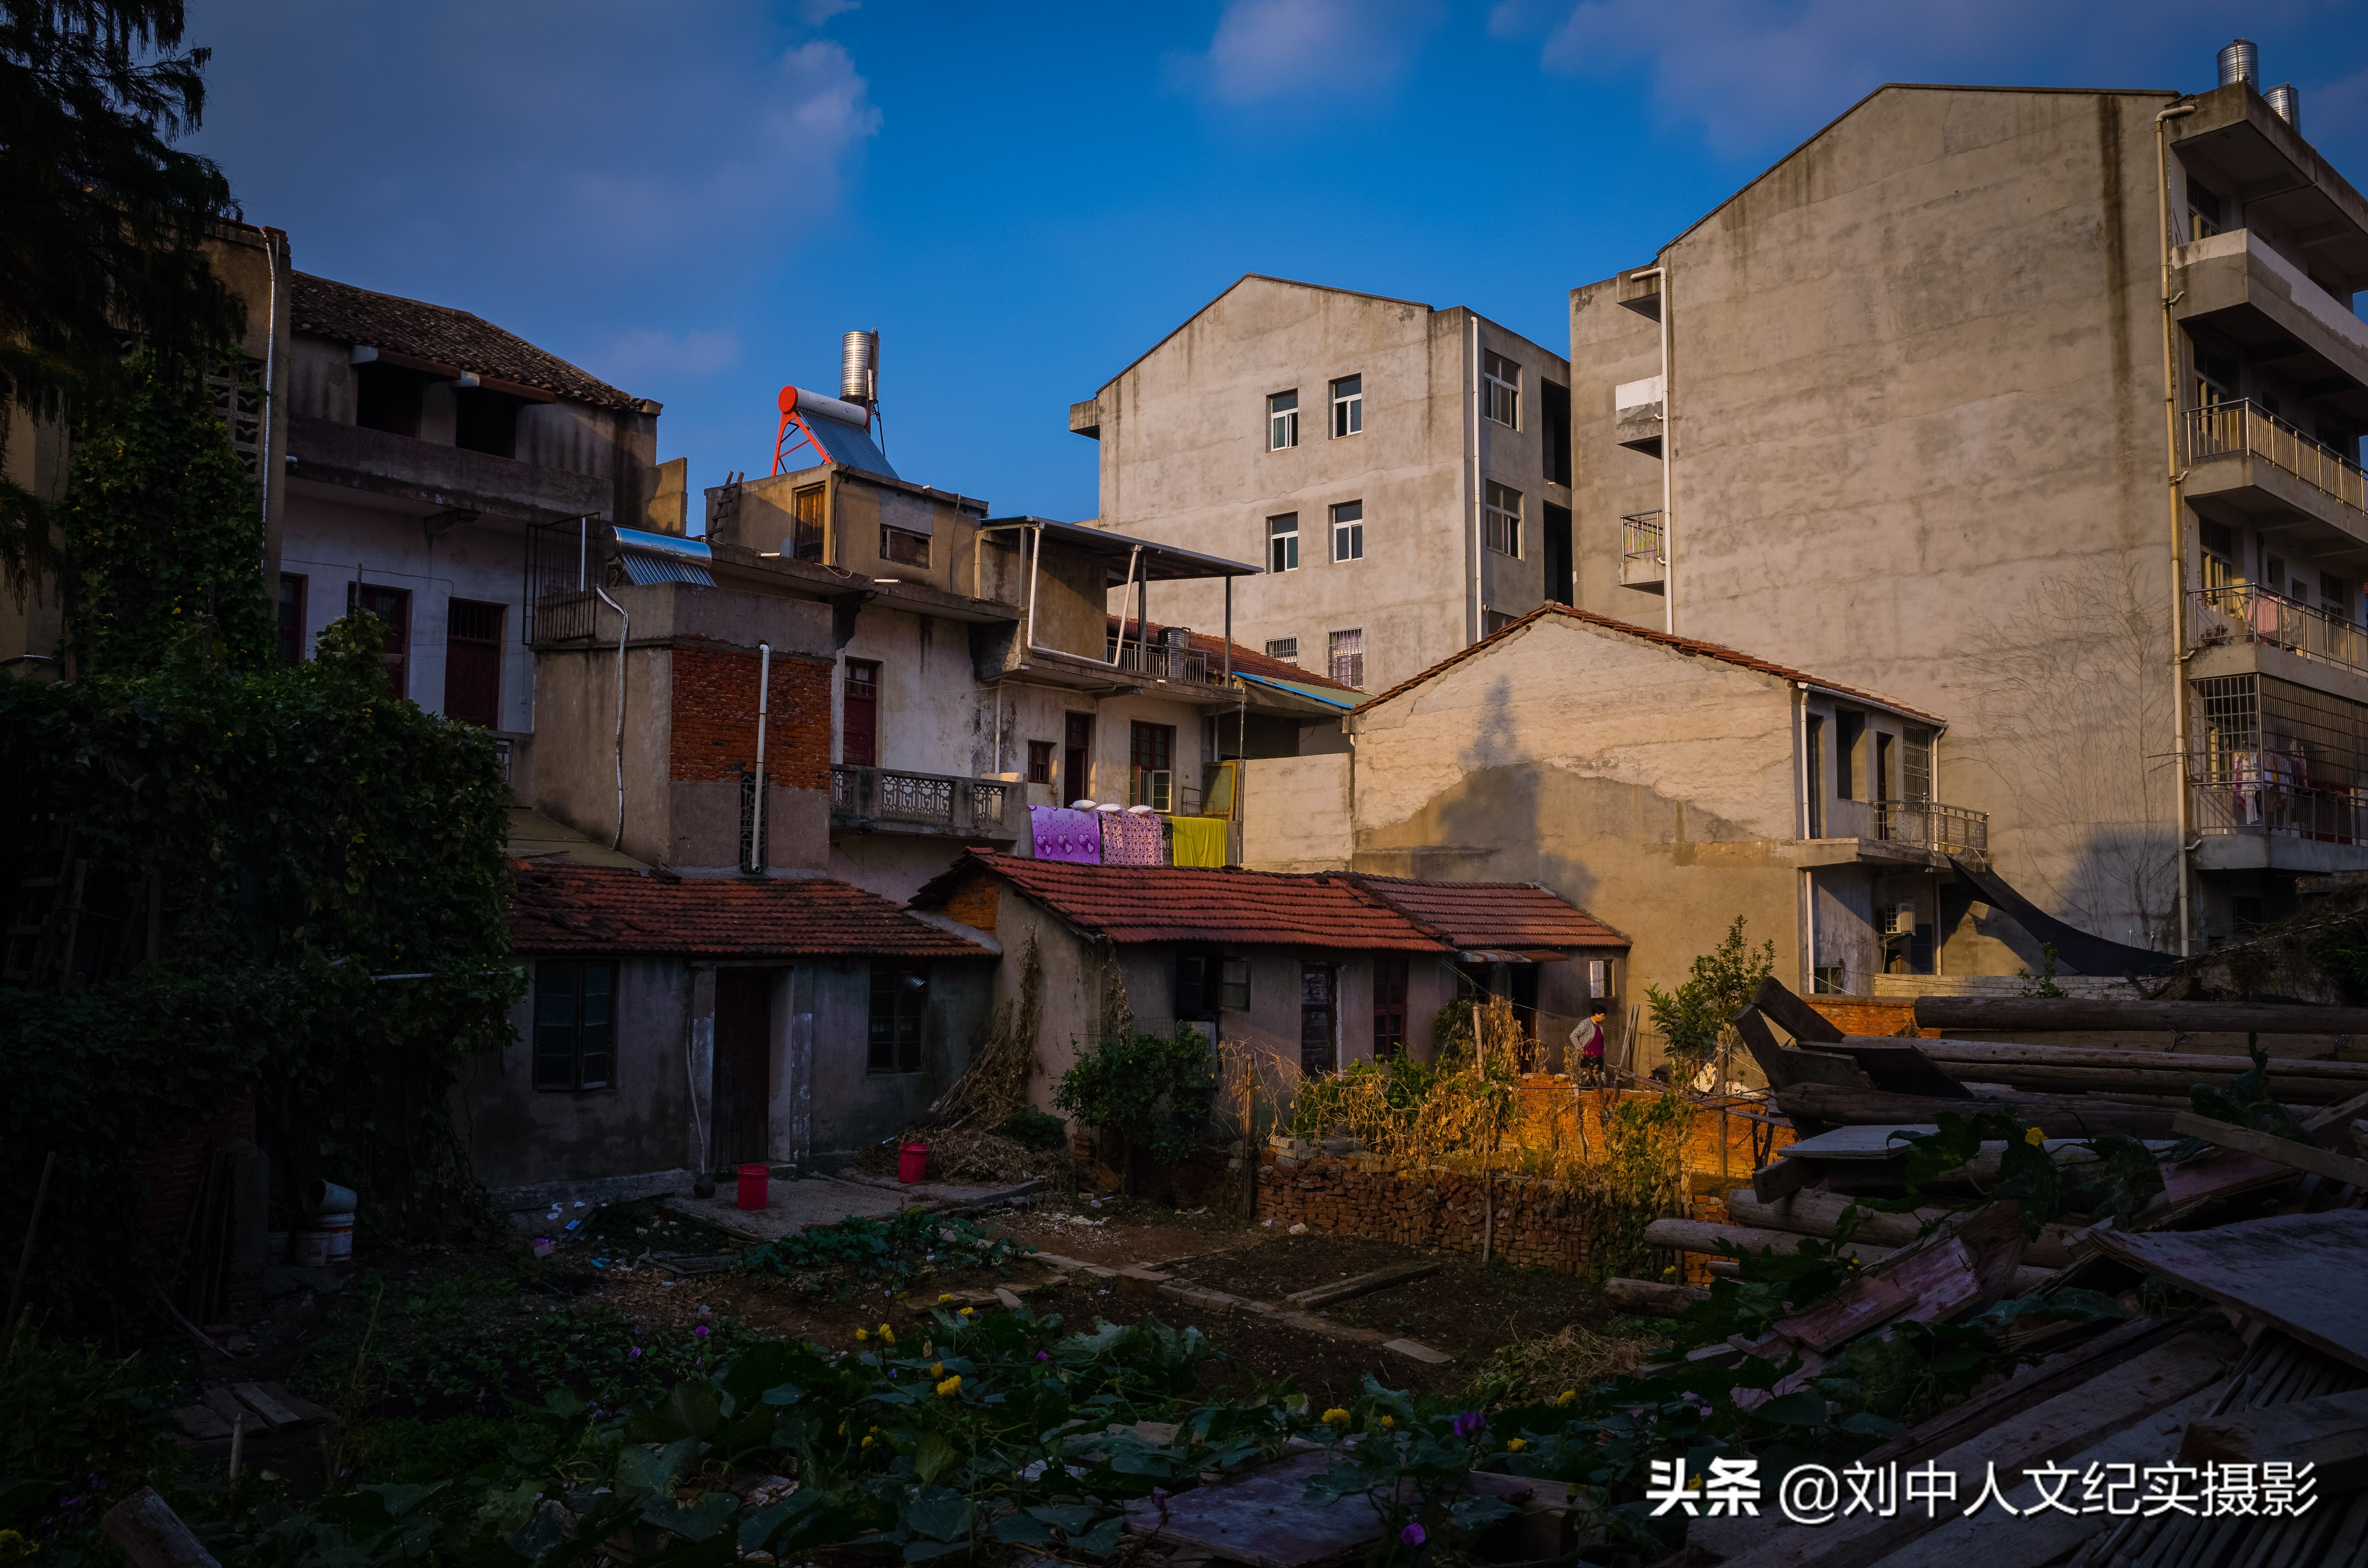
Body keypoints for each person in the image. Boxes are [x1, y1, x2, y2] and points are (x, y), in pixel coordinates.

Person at [1568, 999, 1609, 1086]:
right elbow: (1573, 1036)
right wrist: (1580, 1048)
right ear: (1596, 1015)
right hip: (1588, 1057)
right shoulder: (1586, 1024)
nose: (1604, 1018)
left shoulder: (1600, 1025)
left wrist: (1604, 1048)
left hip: (1599, 1057)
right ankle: (1588, 1093)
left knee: (1602, 1077)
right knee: (1588, 1079)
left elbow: (1601, 1039)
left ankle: (1601, 1092)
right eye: (1602, 1016)